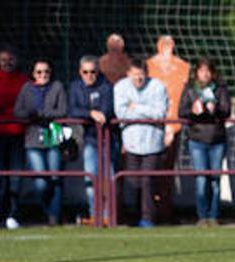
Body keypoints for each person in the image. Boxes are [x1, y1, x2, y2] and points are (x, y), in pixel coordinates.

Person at [114, 57, 168, 228]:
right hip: (131, 143)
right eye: (135, 75)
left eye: (141, 75)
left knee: (148, 181)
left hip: (152, 143)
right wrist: (147, 112)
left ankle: (147, 218)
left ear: (147, 74)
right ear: (128, 74)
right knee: (132, 182)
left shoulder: (158, 86)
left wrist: (136, 107)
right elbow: (121, 113)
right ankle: (132, 216)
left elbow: (160, 114)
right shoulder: (121, 87)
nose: (138, 79)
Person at [13, 59, 67, 225]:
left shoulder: (57, 87)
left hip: (53, 137)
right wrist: (32, 114)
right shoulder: (27, 88)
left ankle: (53, 216)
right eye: (39, 72)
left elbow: (62, 110)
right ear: (33, 74)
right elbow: (18, 111)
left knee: (55, 178)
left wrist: (40, 114)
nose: (43, 75)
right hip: (33, 139)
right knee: (41, 181)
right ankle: (45, 209)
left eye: (46, 72)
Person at [179, 57, 231, 226]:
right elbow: (182, 111)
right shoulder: (189, 89)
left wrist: (216, 110)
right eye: (202, 70)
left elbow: (227, 110)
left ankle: (213, 215)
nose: (205, 74)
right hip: (197, 140)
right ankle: (202, 216)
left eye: (208, 70)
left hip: (217, 139)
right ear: (196, 73)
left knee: (215, 179)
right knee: (201, 178)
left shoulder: (221, 89)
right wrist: (194, 111)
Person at [0, 46, 30, 230]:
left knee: (15, 176)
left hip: (18, 134)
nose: (7, 62)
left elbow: (26, 106)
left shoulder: (24, 81)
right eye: (3, 59)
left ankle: (12, 214)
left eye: (10, 59)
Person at [146, 36, 189, 223]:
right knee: (150, 168)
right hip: (151, 126)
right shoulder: (148, 66)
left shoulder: (183, 67)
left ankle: (165, 209)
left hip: (175, 125)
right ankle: (150, 211)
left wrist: (172, 126)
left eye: (170, 44)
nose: (167, 47)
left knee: (168, 169)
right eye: (164, 43)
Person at [67, 55, 114, 221]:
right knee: (90, 180)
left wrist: (97, 114)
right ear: (80, 72)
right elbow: (72, 110)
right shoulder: (75, 87)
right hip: (89, 141)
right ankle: (95, 216)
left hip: (107, 140)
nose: (89, 75)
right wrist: (90, 113)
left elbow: (107, 111)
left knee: (109, 180)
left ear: (98, 71)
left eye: (93, 71)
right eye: (85, 72)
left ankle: (109, 217)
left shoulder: (106, 86)